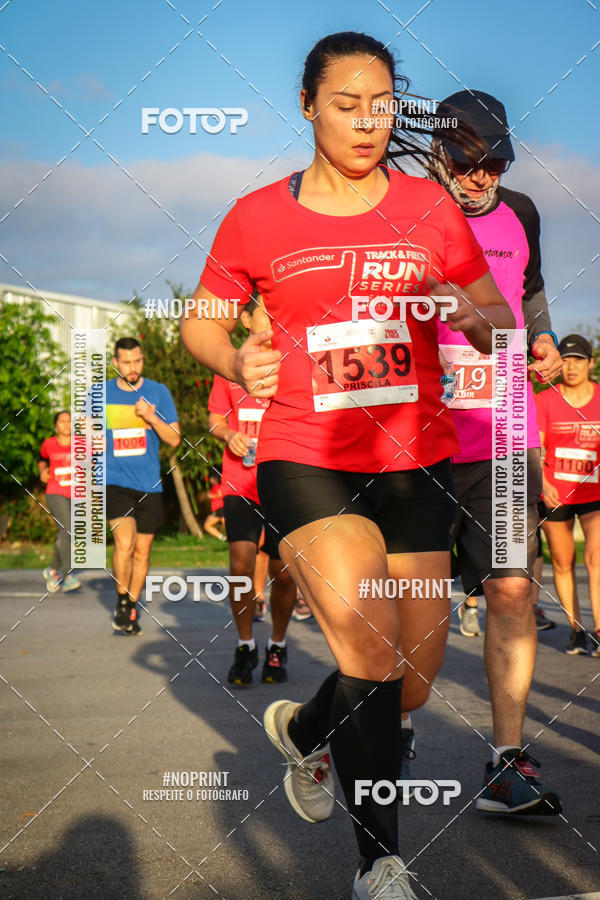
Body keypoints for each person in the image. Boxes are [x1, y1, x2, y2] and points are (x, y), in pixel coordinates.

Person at [182, 31, 515, 899]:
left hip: (416, 461)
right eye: (345, 104)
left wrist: (465, 311)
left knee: (406, 684)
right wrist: (231, 360)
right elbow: (201, 319)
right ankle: (381, 866)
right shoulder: (257, 216)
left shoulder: (430, 208)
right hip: (306, 453)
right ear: (307, 107)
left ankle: (306, 731)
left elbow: (493, 319)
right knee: (367, 644)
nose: (367, 123)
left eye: (379, 105)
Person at [431, 89, 563, 815]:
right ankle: (368, 735)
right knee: (409, 603)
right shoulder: (403, 212)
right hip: (421, 441)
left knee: (513, 589)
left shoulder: (524, 213)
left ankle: (504, 763)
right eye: (467, 163)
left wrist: (540, 336)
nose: (481, 178)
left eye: (494, 164)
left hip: (507, 436)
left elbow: (532, 291)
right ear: (438, 153)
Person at [207, 295, 296, 685]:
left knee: (284, 572)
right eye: (265, 312)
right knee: (240, 567)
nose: (273, 319)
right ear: (245, 319)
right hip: (240, 482)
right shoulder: (230, 367)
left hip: (284, 483)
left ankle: (277, 644)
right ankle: (245, 646)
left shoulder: (292, 360)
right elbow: (214, 420)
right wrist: (229, 435)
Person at [106, 337, 180, 635]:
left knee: (143, 551)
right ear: (115, 363)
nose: (133, 367)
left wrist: (150, 416)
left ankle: (131, 605)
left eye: (137, 361)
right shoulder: (100, 393)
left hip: (149, 484)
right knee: (125, 543)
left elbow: (175, 439)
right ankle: (122, 600)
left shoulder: (158, 392)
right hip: (115, 481)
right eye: (126, 362)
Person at [536, 334, 600, 657]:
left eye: (579, 359)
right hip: (555, 494)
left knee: (596, 557)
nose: (572, 366)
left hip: (595, 493)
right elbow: (536, 448)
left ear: (590, 363)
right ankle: (577, 630)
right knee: (563, 561)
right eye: (567, 359)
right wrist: (544, 484)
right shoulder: (546, 400)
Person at [38, 411, 81, 593]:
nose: (66, 425)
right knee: (68, 529)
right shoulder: (49, 444)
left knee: (65, 532)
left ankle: (52, 570)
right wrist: (42, 472)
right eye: (62, 422)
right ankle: (68, 575)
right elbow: (41, 459)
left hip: (75, 492)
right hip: (55, 491)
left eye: (69, 421)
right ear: (56, 426)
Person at [203, 474, 226, 540]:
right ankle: (226, 538)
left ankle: (224, 538)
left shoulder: (217, 486)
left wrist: (211, 496)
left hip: (219, 509)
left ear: (214, 479)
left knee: (207, 526)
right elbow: (206, 478)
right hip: (218, 509)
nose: (210, 480)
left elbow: (220, 495)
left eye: (211, 478)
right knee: (227, 525)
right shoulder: (214, 487)